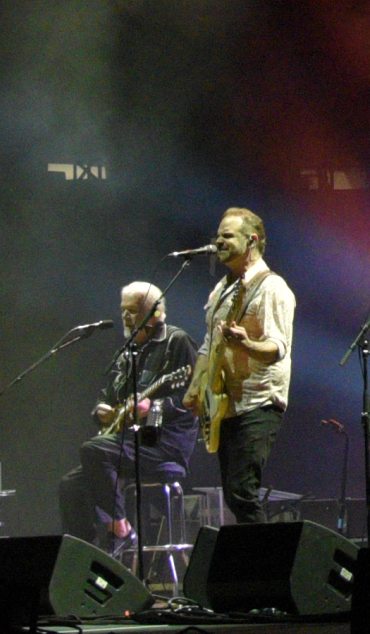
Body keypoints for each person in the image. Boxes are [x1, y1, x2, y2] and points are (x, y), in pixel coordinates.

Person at [57, 280, 198, 557]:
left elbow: (193, 398)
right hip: (128, 441)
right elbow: (106, 394)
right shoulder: (127, 352)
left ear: (155, 313)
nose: (125, 317)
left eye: (132, 311)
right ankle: (87, 553)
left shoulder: (176, 341)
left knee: (93, 450)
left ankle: (121, 531)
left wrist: (153, 406)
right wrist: (101, 409)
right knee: (70, 485)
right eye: (123, 310)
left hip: (163, 444)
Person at [192, 207, 294, 524]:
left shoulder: (271, 287)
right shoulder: (221, 289)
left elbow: (278, 347)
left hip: (259, 400)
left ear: (251, 241)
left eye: (227, 235)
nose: (218, 241)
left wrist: (247, 344)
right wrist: (196, 387)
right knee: (235, 497)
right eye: (217, 235)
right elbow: (209, 345)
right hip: (226, 404)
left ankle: (268, 568)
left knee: (242, 492)